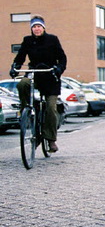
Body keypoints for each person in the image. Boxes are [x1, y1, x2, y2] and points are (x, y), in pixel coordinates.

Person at [10, 15, 67, 153]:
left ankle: (51, 139)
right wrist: (15, 67)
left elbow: (62, 58)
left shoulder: (52, 39)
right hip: (34, 74)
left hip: (50, 76)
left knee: (51, 109)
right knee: (22, 84)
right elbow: (20, 57)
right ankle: (27, 109)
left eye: (39, 26)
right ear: (31, 29)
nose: (37, 29)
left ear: (43, 27)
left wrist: (58, 69)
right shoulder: (27, 40)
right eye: (34, 27)